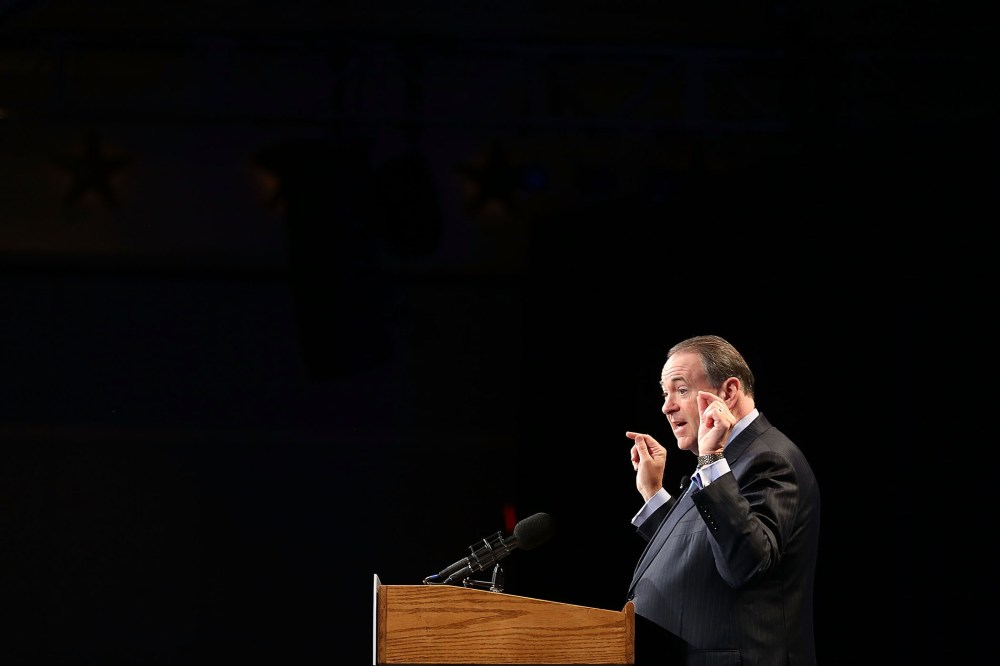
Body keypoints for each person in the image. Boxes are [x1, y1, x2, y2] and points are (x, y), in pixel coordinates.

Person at [625, 334, 820, 665]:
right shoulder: (725, 460)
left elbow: (744, 563)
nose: (666, 406)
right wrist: (654, 494)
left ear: (728, 392)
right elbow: (705, 545)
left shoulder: (769, 458)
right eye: (665, 393)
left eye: (681, 390)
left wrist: (711, 459)